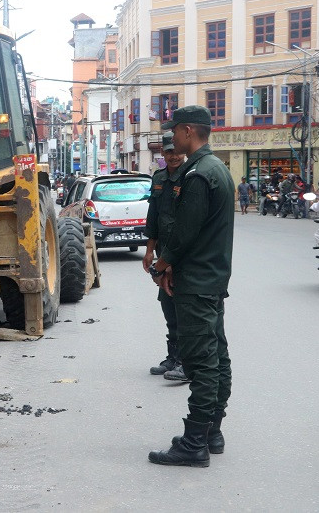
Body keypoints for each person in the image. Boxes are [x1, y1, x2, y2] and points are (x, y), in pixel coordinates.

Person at [147, 105, 234, 468]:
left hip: (196, 280)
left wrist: (161, 265)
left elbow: (185, 233)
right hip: (210, 277)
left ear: (187, 131)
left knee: (201, 361)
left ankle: (195, 441)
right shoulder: (217, 169)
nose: (172, 139)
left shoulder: (198, 174)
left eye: (174, 133)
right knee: (217, 354)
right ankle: (211, 432)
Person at [142, 133, 187, 382]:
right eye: (168, 152)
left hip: (182, 254)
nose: (173, 156)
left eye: (176, 151)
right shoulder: (159, 178)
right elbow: (154, 218)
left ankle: (184, 360)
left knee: (182, 307)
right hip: (162, 254)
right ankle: (172, 357)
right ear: (162, 154)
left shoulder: (190, 178)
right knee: (167, 304)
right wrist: (149, 250)